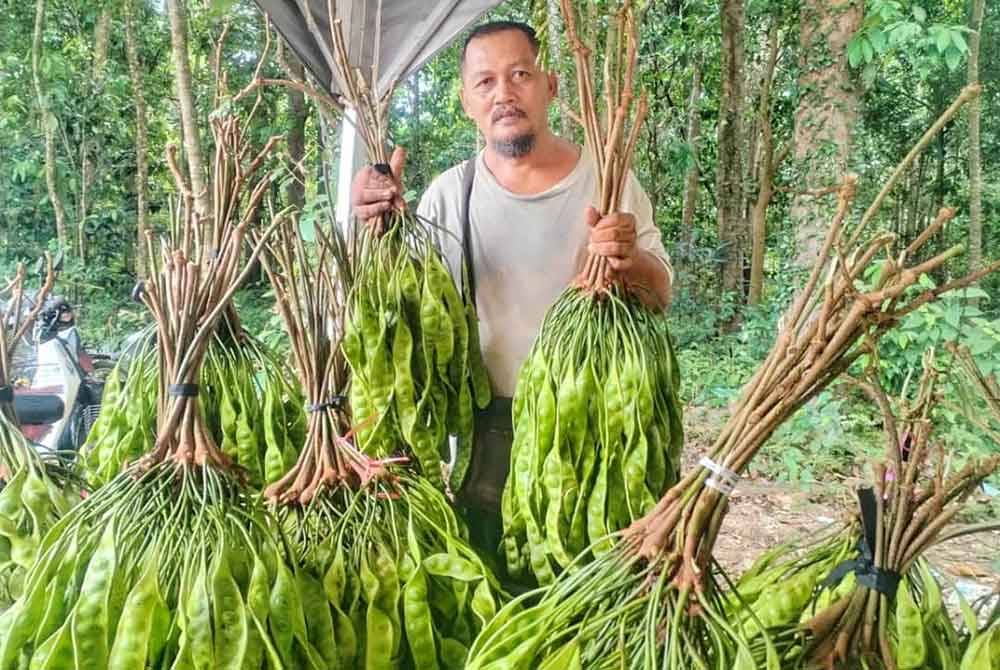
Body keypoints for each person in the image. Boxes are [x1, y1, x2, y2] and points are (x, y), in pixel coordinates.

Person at [350, 20, 673, 563]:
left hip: (597, 428)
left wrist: (630, 261)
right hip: (490, 436)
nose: (503, 93)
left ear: (550, 86)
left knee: (592, 575)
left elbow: (660, 292)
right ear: (466, 102)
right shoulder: (450, 194)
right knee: (495, 573)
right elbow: (407, 317)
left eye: (520, 74)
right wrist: (379, 227)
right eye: (485, 82)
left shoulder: (608, 181)